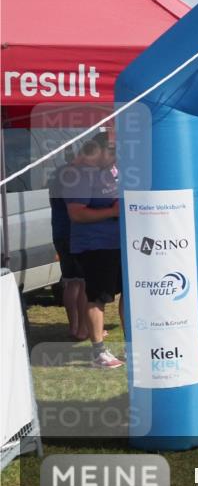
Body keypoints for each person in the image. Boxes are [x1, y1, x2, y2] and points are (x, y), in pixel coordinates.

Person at [64, 135, 125, 369]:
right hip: (95, 245)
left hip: (118, 243)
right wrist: (112, 211)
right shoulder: (78, 174)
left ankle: (132, 345)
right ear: (96, 150)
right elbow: (77, 213)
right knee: (98, 296)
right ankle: (98, 352)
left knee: (127, 294)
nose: (115, 156)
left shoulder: (111, 171)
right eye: (111, 151)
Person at [49, 146, 99, 341]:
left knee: (71, 281)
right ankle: (84, 329)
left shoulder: (56, 173)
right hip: (75, 233)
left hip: (59, 231)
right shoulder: (75, 175)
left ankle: (74, 327)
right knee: (83, 282)